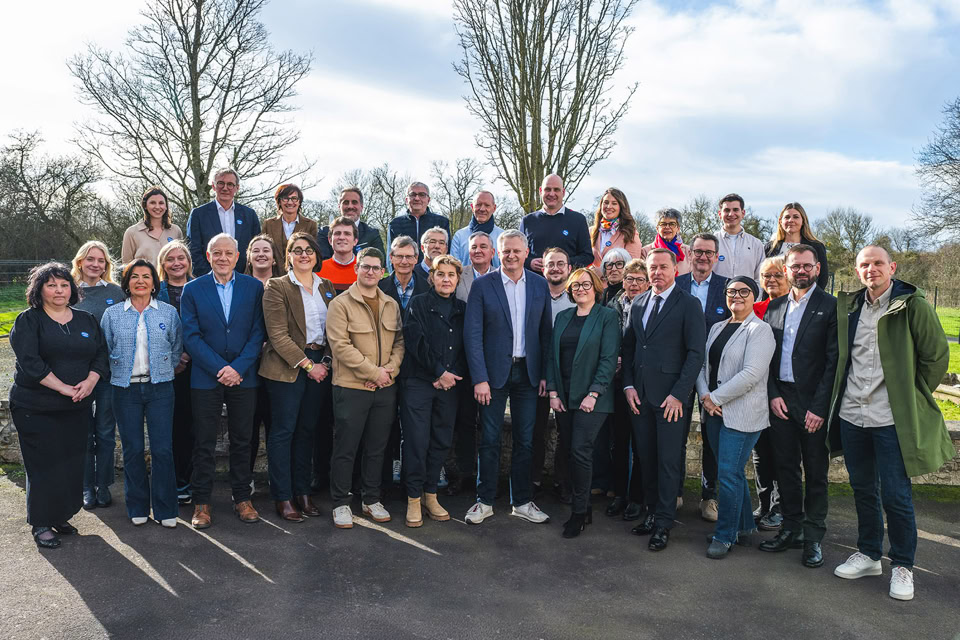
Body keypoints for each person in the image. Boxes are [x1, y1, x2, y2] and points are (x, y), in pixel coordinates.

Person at [829, 246, 950, 602]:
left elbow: (936, 357)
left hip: (890, 418)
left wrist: (908, 394)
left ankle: (902, 564)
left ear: (892, 267)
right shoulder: (850, 307)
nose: (872, 269)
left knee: (896, 495)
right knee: (863, 488)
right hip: (853, 414)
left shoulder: (913, 306)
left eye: (878, 263)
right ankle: (869, 554)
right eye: (864, 264)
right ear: (857, 271)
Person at [9, 263, 109, 549]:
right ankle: (41, 523)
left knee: (69, 464)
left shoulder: (86, 320)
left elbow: (101, 355)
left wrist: (90, 381)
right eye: (51, 285)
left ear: (72, 289)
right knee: (44, 465)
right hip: (35, 407)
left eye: (64, 285)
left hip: (76, 407)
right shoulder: (29, 321)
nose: (59, 290)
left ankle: (60, 515)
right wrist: (64, 388)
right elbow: (30, 363)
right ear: (39, 290)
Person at [463, 230, 553, 525]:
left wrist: (545, 374)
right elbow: (472, 334)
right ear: (497, 254)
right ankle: (484, 500)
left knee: (525, 440)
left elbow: (545, 333)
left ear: (526, 253)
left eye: (517, 251)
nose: (511, 255)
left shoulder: (539, 284)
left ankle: (522, 501)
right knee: (489, 439)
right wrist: (479, 377)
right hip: (492, 375)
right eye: (506, 251)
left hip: (528, 373)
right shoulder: (483, 285)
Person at [759, 245, 839, 568]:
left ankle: (813, 537)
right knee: (786, 469)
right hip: (781, 400)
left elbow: (834, 362)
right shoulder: (775, 307)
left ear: (817, 268)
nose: (801, 271)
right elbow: (765, 356)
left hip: (813, 403)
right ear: (787, 269)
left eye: (807, 265)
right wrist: (772, 394)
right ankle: (791, 528)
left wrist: (819, 407)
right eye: (795, 266)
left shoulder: (830, 306)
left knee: (816, 472)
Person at [622, 248, 705, 551]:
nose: (657, 272)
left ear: (675, 270)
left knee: (668, 462)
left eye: (662, 267)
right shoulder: (639, 302)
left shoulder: (689, 304)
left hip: (671, 400)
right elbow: (629, 348)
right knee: (646, 459)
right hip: (640, 396)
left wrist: (679, 395)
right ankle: (651, 512)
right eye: (652, 268)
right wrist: (628, 386)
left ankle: (664, 523)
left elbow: (695, 353)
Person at [180, 233, 265, 529]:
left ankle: (242, 498)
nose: (223, 258)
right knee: (204, 441)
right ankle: (202, 502)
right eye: (217, 253)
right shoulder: (193, 289)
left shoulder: (253, 287)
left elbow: (258, 332)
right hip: (206, 376)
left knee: (242, 440)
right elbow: (191, 336)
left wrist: (237, 367)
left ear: (238, 257)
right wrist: (221, 368)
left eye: (229, 253)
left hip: (244, 375)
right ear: (208, 256)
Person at [696, 276, 776, 559]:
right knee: (732, 472)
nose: (737, 296)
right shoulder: (717, 327)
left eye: (744, 291)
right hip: (713, 411)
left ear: (755, 296)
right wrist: (705, 396)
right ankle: (742, 527)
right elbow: (702, 366)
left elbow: (751, 374)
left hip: (742, 414)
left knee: (728, 475)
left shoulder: (760, 330)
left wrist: (715, 398)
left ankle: (725, 535)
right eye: (731, 291)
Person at [259, 232, 335, 522]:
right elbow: (277, 335)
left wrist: (324, 361)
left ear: (317, 256)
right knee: (283, 432)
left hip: (319, 364)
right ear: (288, 256)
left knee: (307, 432)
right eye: (297, 250)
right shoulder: (276, 286)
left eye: (309, 250)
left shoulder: (326, 286)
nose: (304, 255)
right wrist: (308, 365)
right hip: (287, 366)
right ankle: (283, 496)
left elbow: (333, 329)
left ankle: (303, 492)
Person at [326, 248, 405, 528]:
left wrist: (388, 371)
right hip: (351, 387)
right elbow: (340, 346)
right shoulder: (340, 304)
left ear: (383, 272)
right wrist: (374, 373)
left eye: (375, 268)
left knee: (377, 447)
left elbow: (399, 343)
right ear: (356, 269)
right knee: (346, 447)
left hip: (385, 387)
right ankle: (340, 503)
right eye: (365, 266)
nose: (370, 272)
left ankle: (371, 499)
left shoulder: (391, 304)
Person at [101, 260, 182, 528]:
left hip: (160, 388)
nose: (140, 281)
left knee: (162, 449)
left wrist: (162, 370)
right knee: (133, 449)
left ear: (154, 283)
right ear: (126, 283)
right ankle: (137, 506)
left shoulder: (168, 312)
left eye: (146, 276)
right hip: (125, 389)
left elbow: (176, 347)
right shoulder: (112, 314)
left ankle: (165, 509)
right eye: (134, 276)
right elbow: (105, 348)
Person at [546, 268, 620, 538]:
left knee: (580, 450)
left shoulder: (607, 317)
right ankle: (584, 505)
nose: (581, 289)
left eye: (586, 284)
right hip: (564, 396)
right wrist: (553, 392)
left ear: (596, 287)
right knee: (569, 450)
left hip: (593, 397)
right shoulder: (563, 317)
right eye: (576, 285)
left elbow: (609, 359)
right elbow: (552, 356)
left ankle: (578, 512)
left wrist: (594, 393)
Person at [399, 255, 467, 527]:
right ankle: (413, 498)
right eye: (441, 274)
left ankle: (430, 495)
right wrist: (438, 372)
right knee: (416, 441)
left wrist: (449, 376)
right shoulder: (418, 304)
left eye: (451, 275)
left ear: (458, 279)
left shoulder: (463, 309)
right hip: (418, 382)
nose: (446, 279)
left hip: (449, 385)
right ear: (432, 277)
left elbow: (467, 345)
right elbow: (416, 342)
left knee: (441, 440)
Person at [675, 232, 730, 522]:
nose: (703, 257)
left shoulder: (727, 287)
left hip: (715, 373)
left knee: (712, 437)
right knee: (677, 433)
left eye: (709, 252)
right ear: (690, 254)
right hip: (681, 369)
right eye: (698, 251)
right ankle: (675, 491)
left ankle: (710, 497)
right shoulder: (677, 284)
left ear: (716, 256)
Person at [71, 241, 125, 511]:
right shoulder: (69, 291)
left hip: (108, 374)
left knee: (105, 432)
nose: (95, 264)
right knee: (83, 433)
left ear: (106, 265)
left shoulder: (115, 292)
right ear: (80, 261)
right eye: (90, 259)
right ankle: (86, 487)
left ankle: (103, 485)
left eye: (101, 260)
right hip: (76, 375)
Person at [377, 235, 429, 489]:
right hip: (386, 364)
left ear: (417, 259)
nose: (404, 261)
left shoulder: (428, 286)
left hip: (419, 366)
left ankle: (414, 478)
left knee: (414, 425)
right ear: (391, 258)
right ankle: (388, 472)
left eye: (409, 256)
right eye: (399, 256)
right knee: (385, 423)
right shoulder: (380, 286)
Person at [603, 260, 648, 520]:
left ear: (647, 283)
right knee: (618, 441)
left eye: (640, 279)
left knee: (640, 442)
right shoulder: (612, 304)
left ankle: (637, 497)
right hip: (616, 380)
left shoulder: (651, 305)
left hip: (641, 381)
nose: (634, 284)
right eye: (630, 278)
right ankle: (619, 493)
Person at [531, 248, 575, 499]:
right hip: (537, 375)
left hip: (568, 376)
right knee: (534, 430)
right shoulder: (534, 294)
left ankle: (563, 481)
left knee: (566, 432)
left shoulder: (577, 296)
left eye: (561, 264)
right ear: (543, 268)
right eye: (551, 264)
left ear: (569, 268)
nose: (556, 268)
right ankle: (533, 479)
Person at [750, 254, 789, 528]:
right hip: (755, 391)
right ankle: (763, 503)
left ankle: (779, 506)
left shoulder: (793, 308)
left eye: (777, 274)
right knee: (760, 453)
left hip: (782, 392)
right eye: (766, 275)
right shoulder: (755, 308)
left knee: (781, 452)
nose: (771, 279)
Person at [156, 240, 195, 505]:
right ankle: (170, 481)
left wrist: (187, 354)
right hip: (163, 368)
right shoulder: (154, 291)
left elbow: (208, 324)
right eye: (170, 259)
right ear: (163, 264)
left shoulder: (201, 287)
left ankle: (188, 481)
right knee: (168, 427)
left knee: (190, 426)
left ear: (189, 262)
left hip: (196, 366)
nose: (176, 263)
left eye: (181, 258)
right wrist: (173, 358)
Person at [243, 233, 283, 487]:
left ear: (274, 258)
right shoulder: (240, 286)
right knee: (248, 426)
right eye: (255, 250)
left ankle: (278, 482)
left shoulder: (284, 285)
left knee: (276, 425)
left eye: (266, 250)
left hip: (279, 364)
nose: (261, 254)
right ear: (248, 257)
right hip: (248, 365)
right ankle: (245, 480)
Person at [186, 168, 261, 276]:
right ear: (213, 186)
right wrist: (212, 277)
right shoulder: (198, 214)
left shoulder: (249, 215)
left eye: (230, 184)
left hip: (244, 278)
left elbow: (255, 248)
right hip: (208, 279)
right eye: (221, 183)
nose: (225, 188)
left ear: (237, 188)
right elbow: (193, 250)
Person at [520, 174, 593, 271]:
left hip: (568, 279)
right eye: (548, 189)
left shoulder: (578, 220)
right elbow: (518, 254)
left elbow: (587, 257)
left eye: (556, 190)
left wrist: (563, 264)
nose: (551, 194)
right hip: (535, 279)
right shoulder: (527, 221)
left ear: (563, 192)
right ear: (540, 191)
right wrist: (530, 262)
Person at [764, 203, 829, 290]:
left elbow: (823, 277)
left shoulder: (816, 246)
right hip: (775, 296)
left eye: (796, 217)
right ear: (780, 221)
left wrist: (813, 296)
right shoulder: (770, 248)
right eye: (787, 217)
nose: (791, 220)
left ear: (803, 221)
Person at [121, 186, 185, 266]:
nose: (157, 207)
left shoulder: (176, 231)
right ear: (145, 206)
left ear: (166, 206)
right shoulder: (132, 232)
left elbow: (182, 260)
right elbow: (126, 265)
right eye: (153, 203)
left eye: (161, 203)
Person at [386, 182, 450, 261]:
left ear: (428, 200)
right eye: (412, 194)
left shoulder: (442, 222)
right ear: (407, 199)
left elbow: (447, 252)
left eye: (422, 195)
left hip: (433, 268)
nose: (417, 198)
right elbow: (390, 255)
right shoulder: (395, 224)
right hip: (405, 268)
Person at [318, 186, 384, 261]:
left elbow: (380, 262)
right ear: (339, 206)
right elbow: (322, 262)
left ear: (361, 207)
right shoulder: (324, 233)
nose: (350, 206)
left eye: (354, 202)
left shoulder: (372, 234)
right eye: (346, 202)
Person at [589, 187, 645, 272]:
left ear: (621, 207)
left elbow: (633, 267)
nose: (609, 206)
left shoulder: (630, 233)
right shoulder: (590, 231)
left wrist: (602, 271)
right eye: (606, 203)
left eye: (614, 203)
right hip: (591, 279)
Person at [713, 193, 765, 280]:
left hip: (748, 289)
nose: (731, 214)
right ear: (720, 214)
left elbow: (760, 278)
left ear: (743, 213)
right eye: (726, 210)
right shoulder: (710, 243)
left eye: (735, 210)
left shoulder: (756, 244)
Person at [262, 184, 318, 263]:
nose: (290, 202)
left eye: (294, 198)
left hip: (301, 269)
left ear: (299, 202)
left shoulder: (311, 225)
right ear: (279, 201)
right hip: (273, 270)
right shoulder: (268, 224)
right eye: (285, 198)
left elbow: (313, 253)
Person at [450, 191, 504, 269]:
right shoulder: (459, 236)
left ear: (494, 208)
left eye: (487, 205)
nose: (482, 209)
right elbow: (454, 268)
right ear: (472, 207)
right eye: (478, 205)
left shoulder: (503, 237)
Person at [317, 216, 360, 294]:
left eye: (347, 234)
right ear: (330, 240)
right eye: (337, 233)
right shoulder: (318, 270)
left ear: (355, 241)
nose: (342, 237)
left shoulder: (364, 270)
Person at [643, 208, 691, 276]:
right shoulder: (645, 251)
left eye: (672, 224)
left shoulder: (688, 251)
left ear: (678, 228)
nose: (667, 227)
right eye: (663, 224)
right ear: (657, 228)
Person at [455, 231, 496, 303]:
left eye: (483, 247)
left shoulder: (500, 277)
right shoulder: (458, 274)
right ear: (469, 252)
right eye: (474, 247)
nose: (477, 251)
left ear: (492, 253)